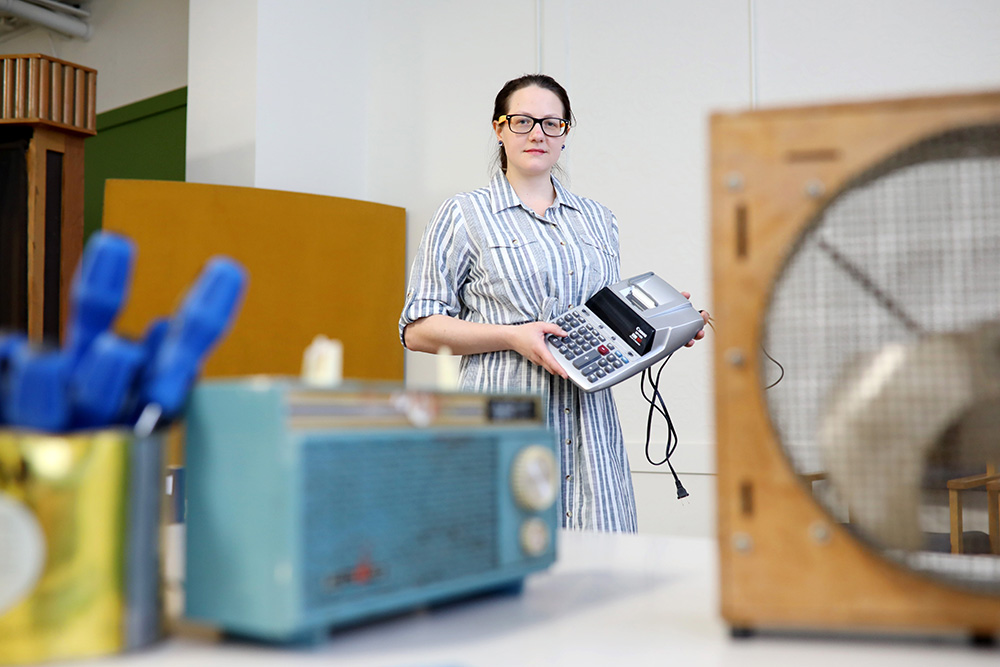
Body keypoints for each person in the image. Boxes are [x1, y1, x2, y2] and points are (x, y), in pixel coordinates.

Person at [399, 74, 707, 532]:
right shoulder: (463, 214)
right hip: (503, 429)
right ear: (499, 129)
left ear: (566, 132)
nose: (537, 133)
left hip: (591, 440)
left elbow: (609, 332)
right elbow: (417, 329)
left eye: (551, 123)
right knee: (504, 574)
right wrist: (511, 335)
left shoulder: (600, 220)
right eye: (522, 121)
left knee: (601, 582)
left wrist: (664, 326)